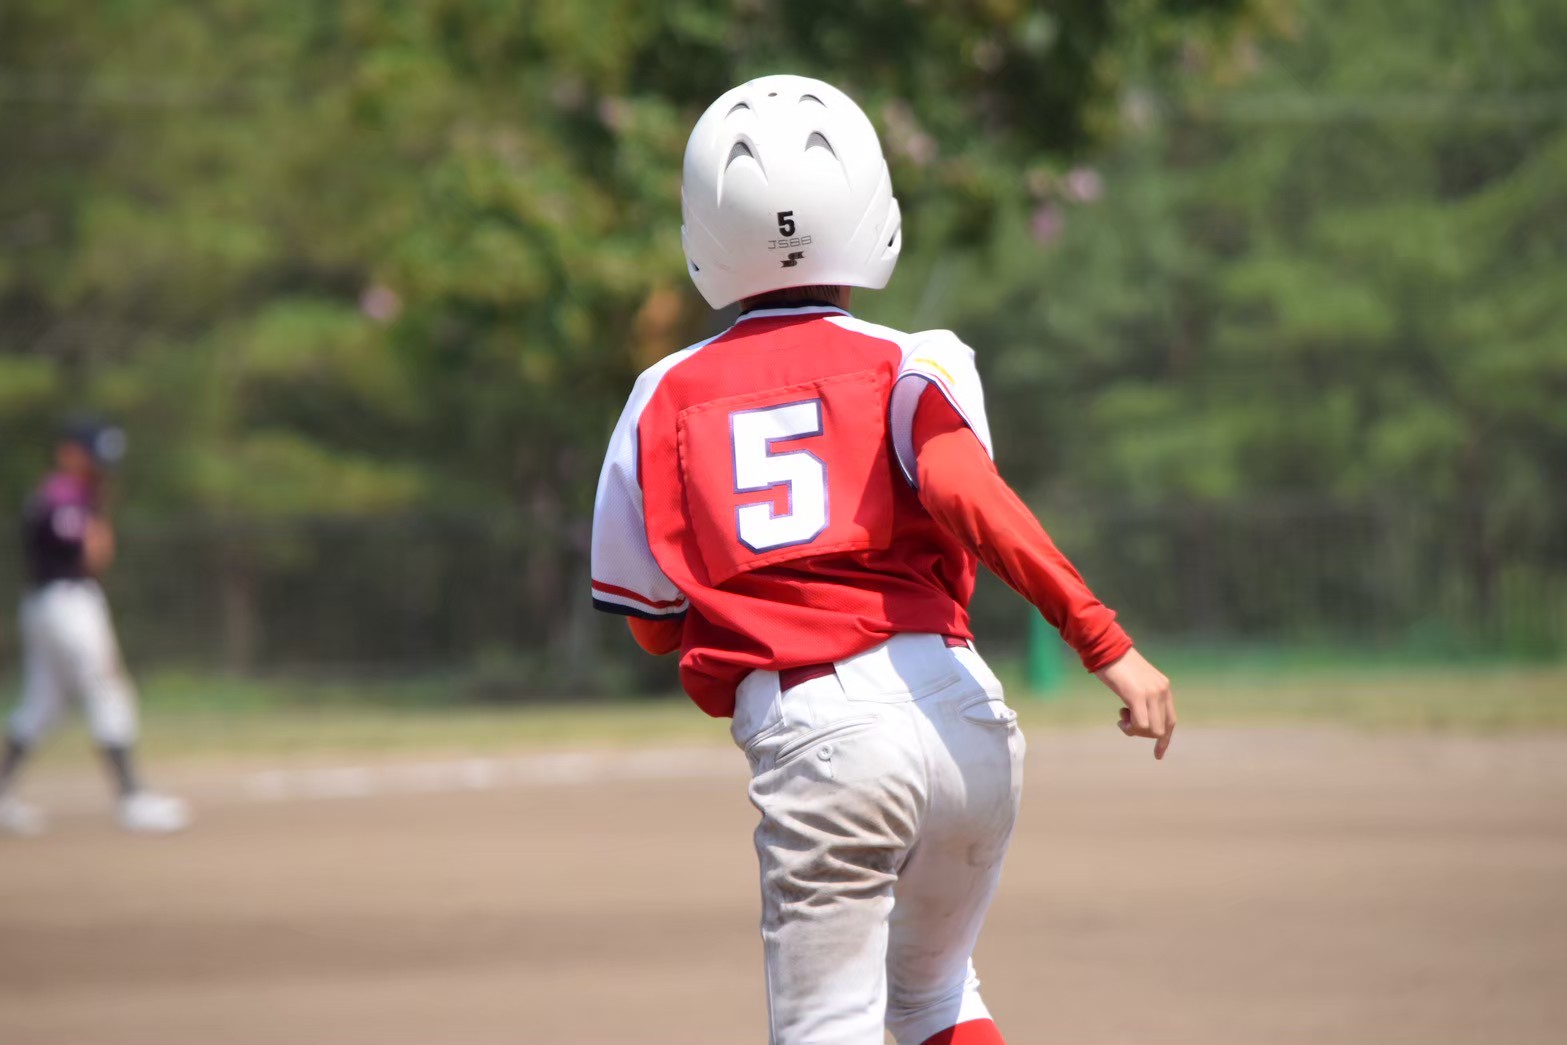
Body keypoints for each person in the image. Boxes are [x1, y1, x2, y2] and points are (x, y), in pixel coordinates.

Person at [590, 75, 1176, 1045]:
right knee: (936, 996)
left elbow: (651, 624)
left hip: (819, 735)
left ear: (703, 232)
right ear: (871, 209)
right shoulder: (915, 359)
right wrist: (1105, 643)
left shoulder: (663, 391)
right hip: (960, 710)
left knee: (828, 1026)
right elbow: (967, 497)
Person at [0, 419, 191, 835]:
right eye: (93, 458)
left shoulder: (59, 494)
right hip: (70, 604)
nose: (99, 469)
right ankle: (132, 797)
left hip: (43, 604)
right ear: (69, 452)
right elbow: (93, 554)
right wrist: (98, 515)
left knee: (41, 703)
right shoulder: (65, 496)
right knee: (108, 688)